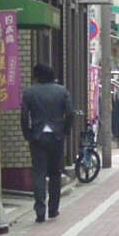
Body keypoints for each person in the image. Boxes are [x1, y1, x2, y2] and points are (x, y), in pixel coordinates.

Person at [20, 64, 73, 223]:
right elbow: (70, 112)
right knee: (55, 173)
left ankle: (40, 211)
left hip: (37, 135)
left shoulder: (29, 92)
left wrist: (27, 133)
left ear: (36, 76)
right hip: (57, 135)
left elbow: (23, 116)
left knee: (39, 173)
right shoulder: (61, 91)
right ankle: (53, 209)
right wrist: (65, 130)